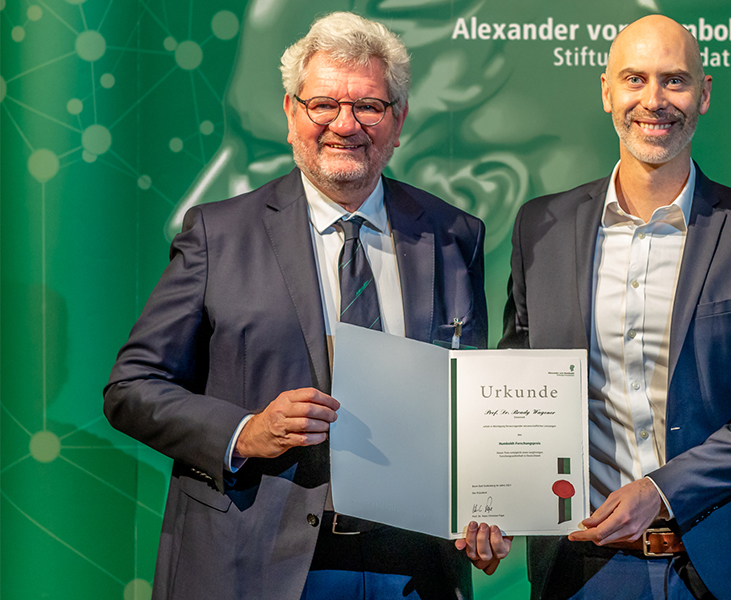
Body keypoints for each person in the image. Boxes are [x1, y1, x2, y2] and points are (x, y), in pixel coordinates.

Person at [104, 12, 507, 600]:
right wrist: (245, 430)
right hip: (255, 561)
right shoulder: (219, 234)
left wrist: (484, 506)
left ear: (398, 121)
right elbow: (132, 388)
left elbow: (470, 396)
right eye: (324, 104)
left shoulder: (453, 235)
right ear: (292, 114)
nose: (345, 125)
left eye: (369, 106)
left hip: (415, 567)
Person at [500, 14, 731, 600]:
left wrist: (662, 488)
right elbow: (515, 384)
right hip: (584, 569)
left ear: (703, 95)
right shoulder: (539, 228)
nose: (654, 101)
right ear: (606, 91)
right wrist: (492, 497)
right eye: (635, 79)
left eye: (674, 81)